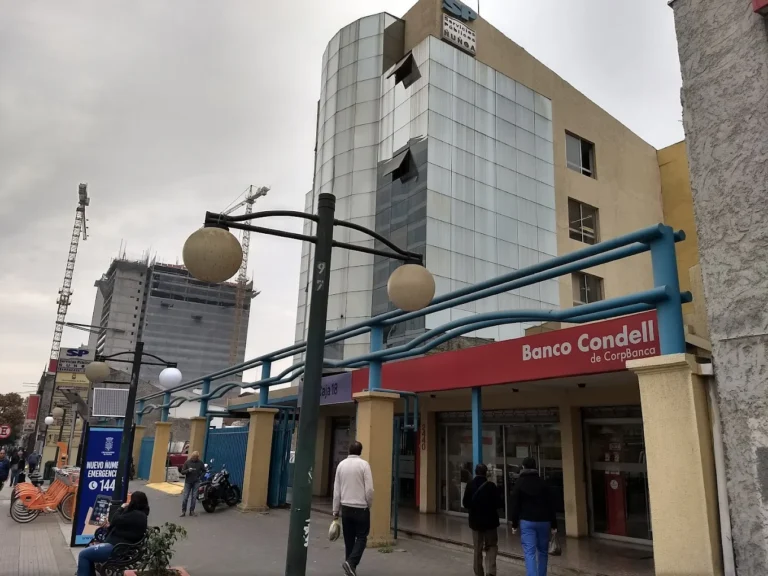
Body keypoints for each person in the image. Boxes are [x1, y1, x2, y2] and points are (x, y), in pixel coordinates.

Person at [77, 491, 150, 576]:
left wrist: (121, 508)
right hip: (119, 546)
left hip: (117, 548)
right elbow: (121, 525)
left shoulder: (137, 515)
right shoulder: (138, 514)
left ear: (134, 502)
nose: (128, 502)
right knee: (87, 553)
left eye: (130, 500)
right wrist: (109, 526)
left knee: (83, 554)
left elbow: (115, 519)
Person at [510, 457, 557, 576]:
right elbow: (551, 504)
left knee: (529, 552)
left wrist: (514, 523)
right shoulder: (543, 482)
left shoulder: (520, 483)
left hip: (527, 522)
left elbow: (515, 504)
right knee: (543, 551)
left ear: (524, 467)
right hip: (544, 521)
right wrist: (554, 524)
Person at [332, 441, 374, 576]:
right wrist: (369, 504)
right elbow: (369, 490)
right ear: (360, 451)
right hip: (361, 507)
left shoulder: (341, 465)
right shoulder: (364, 465)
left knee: (348, 539)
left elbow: (336, 491)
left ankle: (349, 568)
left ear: (349, 451)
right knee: (362, 537)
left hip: (346, 508)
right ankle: (351, 563)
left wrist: (335, 511)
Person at [463, 463, 503, 576]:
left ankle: (478, 572)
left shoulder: (470, 485)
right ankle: (490, 571)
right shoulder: (491, 486)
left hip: (476, 523)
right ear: (486, 473)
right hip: (491, 523)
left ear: (476, 472)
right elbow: (499, 503)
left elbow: (465, 503)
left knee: (477, 548)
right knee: (491, 546)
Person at [179, 450, 205, 517]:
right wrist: (188, 470)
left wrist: (200, 477)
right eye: (193, 457)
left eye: (196, 457)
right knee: (185, 497)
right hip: (188, 482)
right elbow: (182, 472)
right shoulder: (187, 462)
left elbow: (204, 471)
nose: (194, 458)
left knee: (194, 497)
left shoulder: (200, 463)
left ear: (197, 457)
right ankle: (183, 511)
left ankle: (192, 511)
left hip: (196, 482)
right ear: (191, 456)